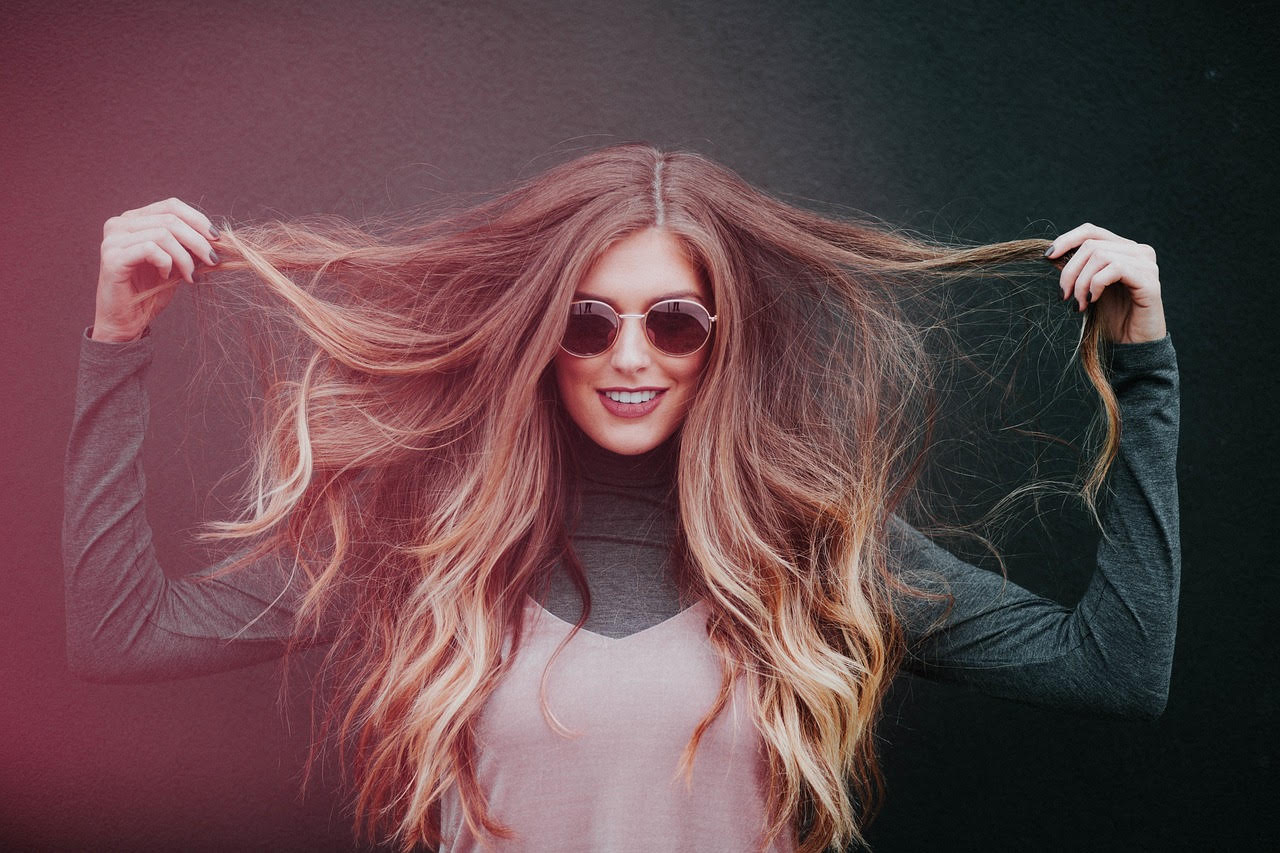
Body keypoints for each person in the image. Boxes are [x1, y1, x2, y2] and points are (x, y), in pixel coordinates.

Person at [63, 143, 1180, 853]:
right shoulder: (428, 544)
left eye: (673, 321)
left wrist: (1144, 367)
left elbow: (1113, 666)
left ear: (716, 339)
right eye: (587, 320)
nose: (628, 355)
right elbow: (120, 636)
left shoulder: (812, 555)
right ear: (542, 338)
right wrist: (119, 342)